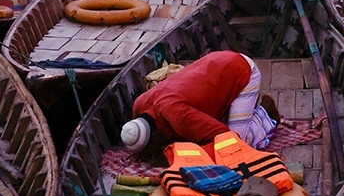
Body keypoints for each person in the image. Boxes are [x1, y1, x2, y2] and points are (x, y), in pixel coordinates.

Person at [120, 51, 281, 153]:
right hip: (216, 63)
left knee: (236, 145)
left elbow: (224, 135)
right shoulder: (139, 104)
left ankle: (266, 115)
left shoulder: (177, 114)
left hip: (242, 71)